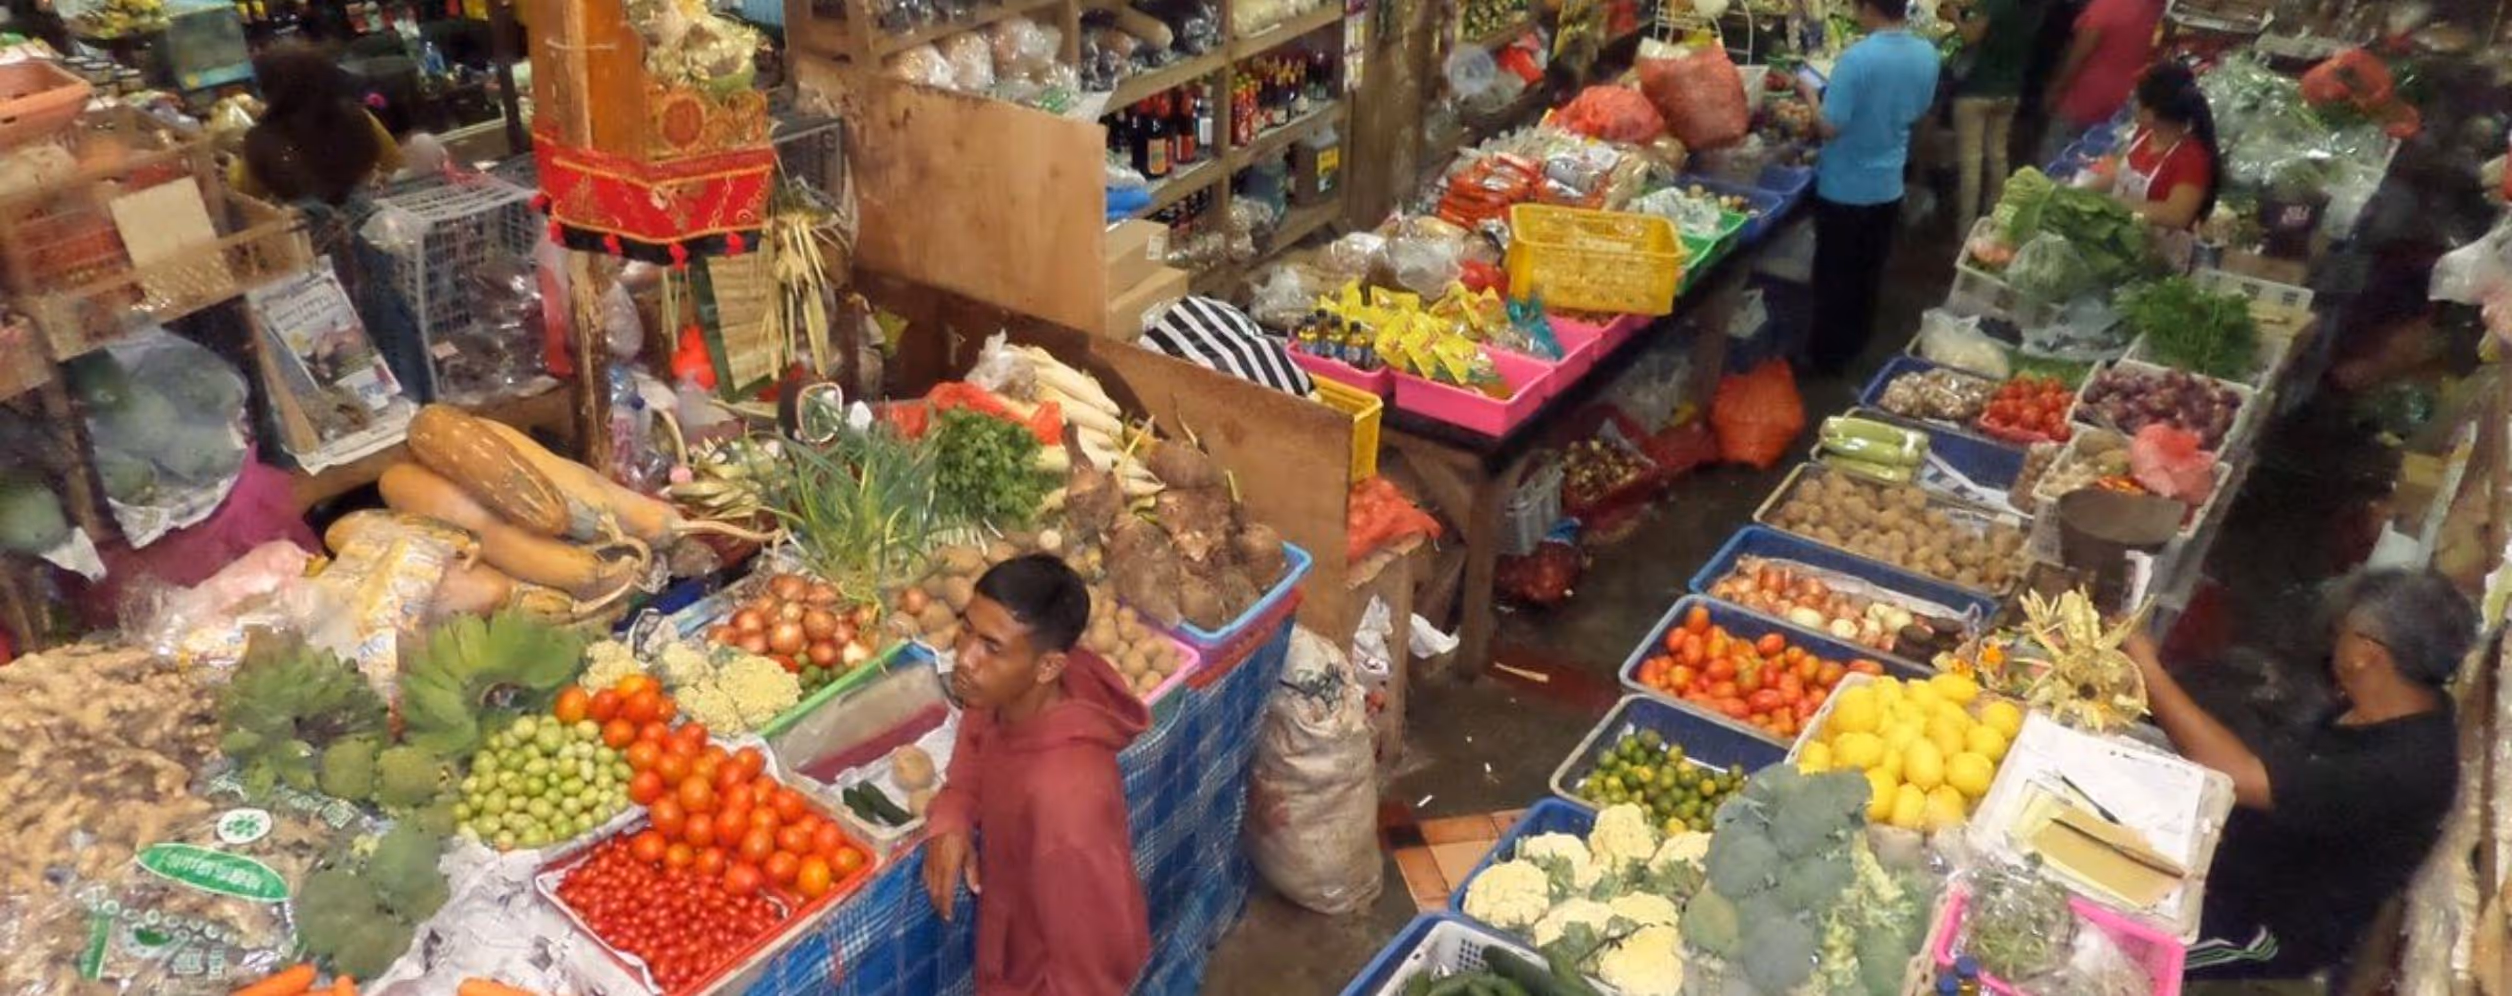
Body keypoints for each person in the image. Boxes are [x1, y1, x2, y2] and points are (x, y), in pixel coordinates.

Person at [2125, 569, 2475, 980]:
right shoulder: (2394, 702)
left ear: (2367, 653)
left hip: (2262, 922)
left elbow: (2242, 778)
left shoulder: (2402, 766)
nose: (2334, 638)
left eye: (2343, 630)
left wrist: (2148, 671)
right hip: (2236, 848)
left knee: (2128, 948)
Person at [924, 554, 1152, 996]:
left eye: (991, 647)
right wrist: (953, 813)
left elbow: (1092, 972)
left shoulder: (1066, 804)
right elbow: (976, 741)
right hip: (1012, 943)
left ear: (1048, 666)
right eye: (967, 627)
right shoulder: (1005, 692)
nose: (965, 658)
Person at [1798, 0, 1941, 375]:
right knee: (1868, 272)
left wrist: (1810, 94)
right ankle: (1858, 342)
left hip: (1845, 188)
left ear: (1867, 8)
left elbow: (1830, 127)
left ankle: (1826, 359)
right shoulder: (1927, 52)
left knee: (1834, 279)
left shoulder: (1857, 59)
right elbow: (1919, 110)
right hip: (1888, 184)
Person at [233, 44, 405, 205]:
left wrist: (230, 166)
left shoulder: (260, 142)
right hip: (372, 221)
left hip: (307, 234)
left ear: (268, 90)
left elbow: (244, 198)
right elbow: (397, 166)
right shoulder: (357, 117)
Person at [1948, 0, 2050, 229]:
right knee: (1997, 156)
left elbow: (1971, 36)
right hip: (2010, 90)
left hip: (1977, 88)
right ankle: (1993, 221)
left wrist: (1955, 15)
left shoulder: (1996, 3)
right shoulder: (2034, 8)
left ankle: (1965, 230)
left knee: (1971, 163)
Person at [2096, 62, 2221, 231]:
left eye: (2136, 99)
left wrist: (2116, 205)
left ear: (2150, 114)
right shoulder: (2145, 133)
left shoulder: (2192, 158)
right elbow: (2121, 175)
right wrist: (2079, 193)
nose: (2132, 104)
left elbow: (2177, 215)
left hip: (2157, 249)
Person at [2041, 0, 2162, 157]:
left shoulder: (2106, 5)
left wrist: (2054, 91)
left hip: (2082, 100)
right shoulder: (2153, 5)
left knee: (2055, 162)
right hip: (2121, 101)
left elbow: (2078, 56)